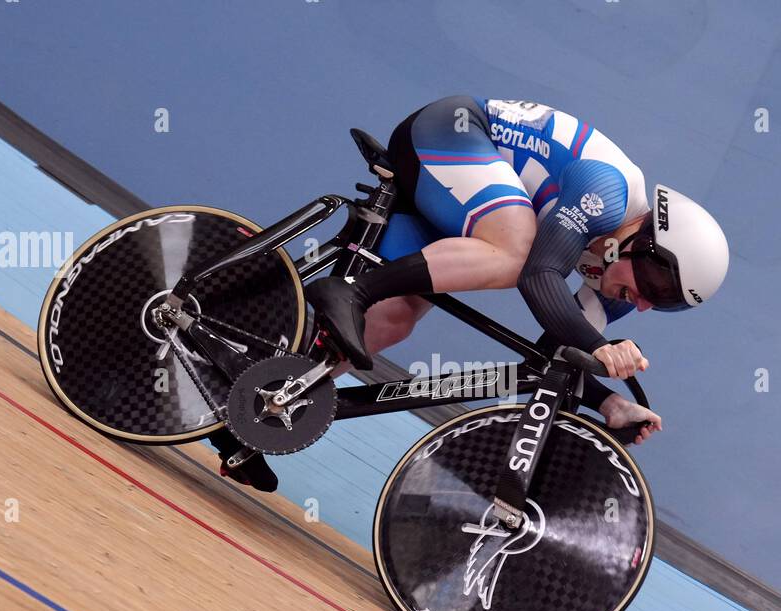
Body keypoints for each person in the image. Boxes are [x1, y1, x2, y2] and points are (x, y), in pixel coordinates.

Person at [218, 96, 729, 491]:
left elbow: (555, 355)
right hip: (451, 134)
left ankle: (249, 413)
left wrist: (608, 403)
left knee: (392, 320)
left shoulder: (618, 278)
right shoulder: (608, 194)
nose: (644, 302)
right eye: (656, 284)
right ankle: (349, 289)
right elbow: (539, 276)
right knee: (517, 250)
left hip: (470, 198)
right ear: (644, 241)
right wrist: (599, 349)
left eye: (663, 302)